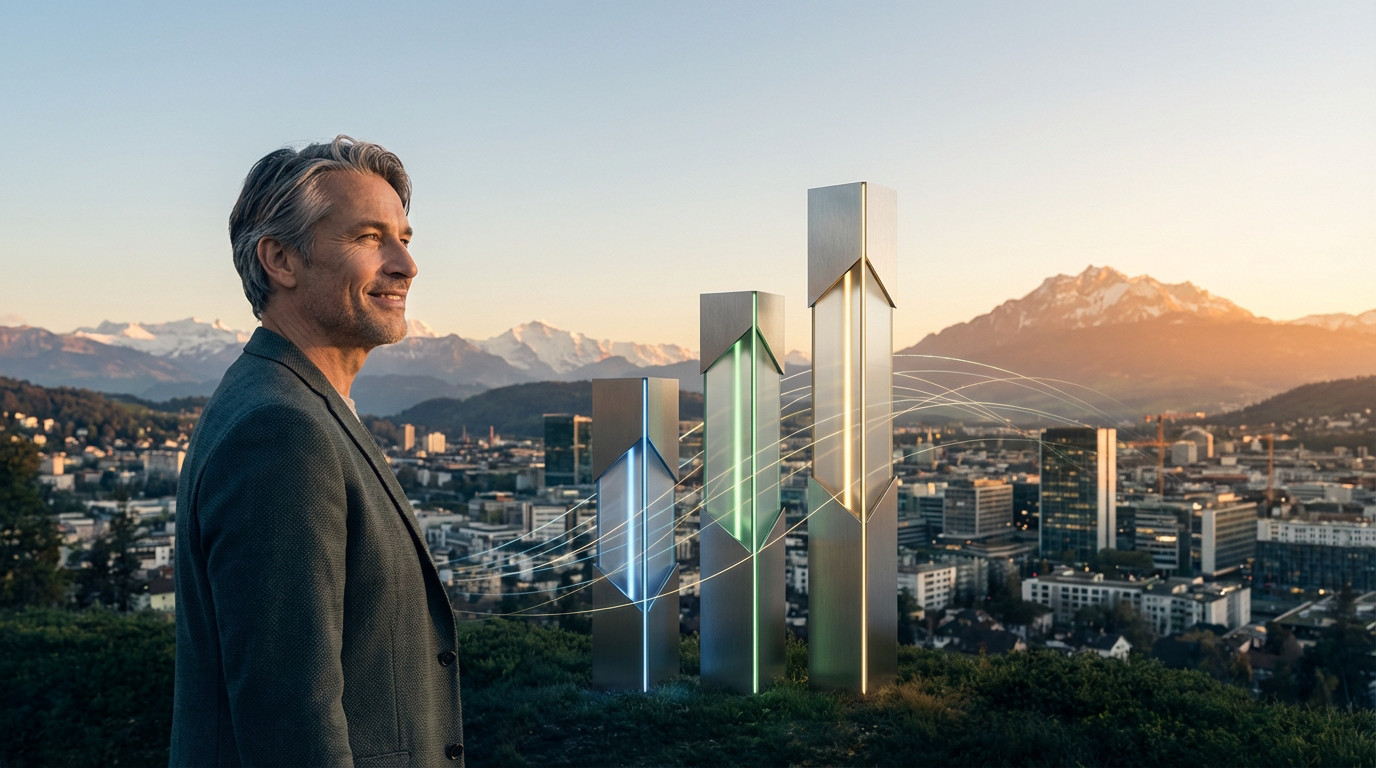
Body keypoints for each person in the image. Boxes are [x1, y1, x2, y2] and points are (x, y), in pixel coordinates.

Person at [171, 136, 464, 766]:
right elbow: (291, 724)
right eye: (367, 237)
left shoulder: (291, 401)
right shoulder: (281, 430)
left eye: (404, 239)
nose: (406, 265)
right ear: (280, 259)